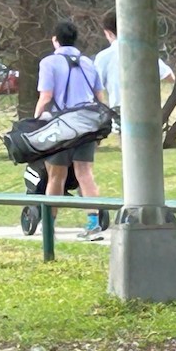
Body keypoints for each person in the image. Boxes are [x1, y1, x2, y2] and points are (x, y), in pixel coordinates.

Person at [35, 19, 103, 232]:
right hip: (87, 124)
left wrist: (36, 122)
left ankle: (49, 226)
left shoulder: (49, 63)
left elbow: (46, 96)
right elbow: (99, 96)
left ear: (55, 40)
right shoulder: (88, 63)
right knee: (85, 173)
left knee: (56, 176)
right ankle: (93, 223)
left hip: (62, 125)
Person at [93, 9, 175, 130]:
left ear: (108, 33)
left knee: (125, 139)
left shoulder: (103, 57)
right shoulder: (145, 50)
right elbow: (170, 77)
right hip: (146, 109)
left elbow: (96, 87)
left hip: (120, 110)